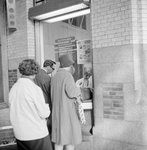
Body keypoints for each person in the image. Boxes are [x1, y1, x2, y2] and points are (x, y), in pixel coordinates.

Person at [9, 59, 52, 150]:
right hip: (36, 134)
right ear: (35, 71)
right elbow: (44, 113)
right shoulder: (34, 88)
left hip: (20, 134)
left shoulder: (14, 88)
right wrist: (47, 106)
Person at [51, 54, 82, 150]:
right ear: (69, 66)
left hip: (57, 112)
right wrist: (78, 87)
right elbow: (72, 93)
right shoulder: (68, 76)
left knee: (59, 139)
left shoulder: (55, 75)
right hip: (67, 112)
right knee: (70, 137)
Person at [34, 59, 56, 134]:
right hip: (45, 103)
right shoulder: (47, 77)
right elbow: (51, 91)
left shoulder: (35, 74)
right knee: (47, 125)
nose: (53, 70)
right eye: (53, 68)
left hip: (35, 102)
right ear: (48, 67)